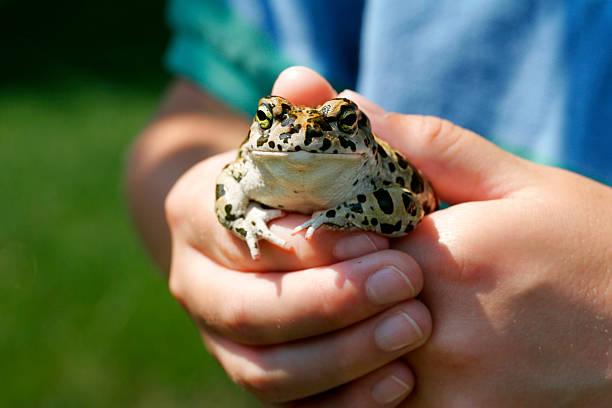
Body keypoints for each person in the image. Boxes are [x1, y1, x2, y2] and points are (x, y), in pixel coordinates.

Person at [125, 1, 612, 406]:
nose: (303, 136)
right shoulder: (249, 165)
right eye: (270, 120)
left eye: (340, 122)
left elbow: (406, 205)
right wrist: (226, 254)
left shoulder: (376, 167)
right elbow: (202, 142)